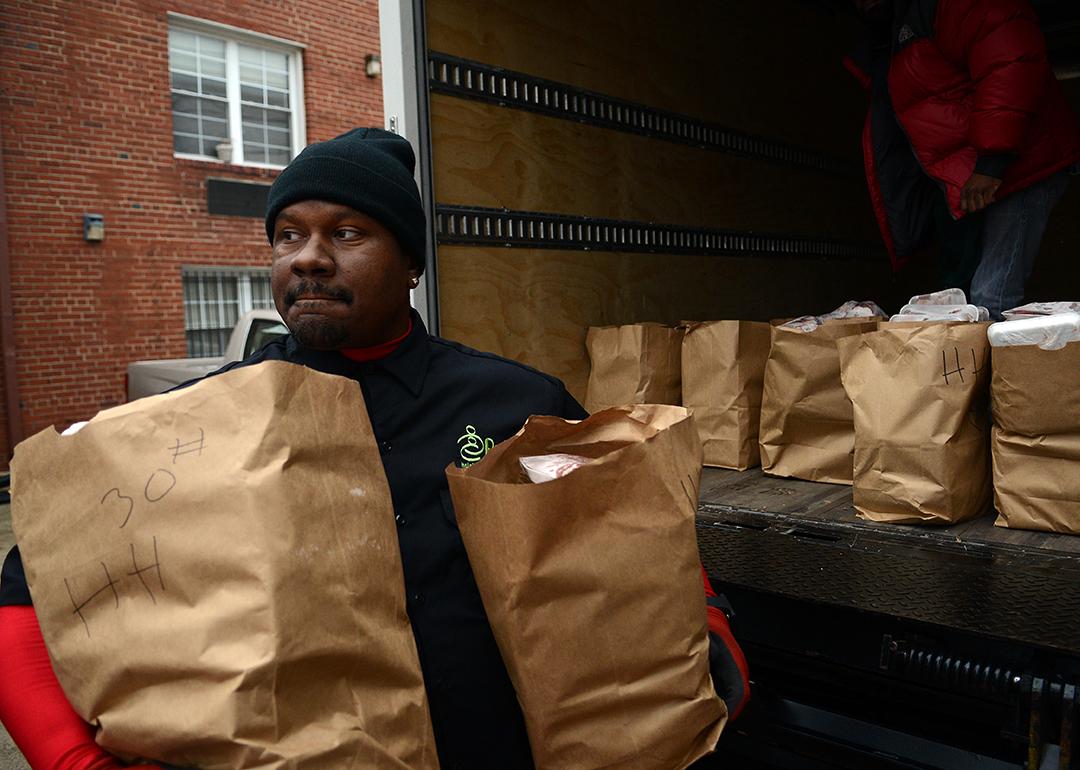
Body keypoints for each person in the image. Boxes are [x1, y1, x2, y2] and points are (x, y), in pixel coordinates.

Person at [0, 128, 749, 770]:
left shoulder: (514, 404)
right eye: (288, 235)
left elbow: (631, 538)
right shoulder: (194, 426)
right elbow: (27, 590)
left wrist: (708, 634)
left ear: (413, 264)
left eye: (347, 233)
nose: (309, 258)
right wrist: (76, 760)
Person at [847, 0, 1080, 319]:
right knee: (963, 297)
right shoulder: (894, 28)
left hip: (1022, 163)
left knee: (990, 295)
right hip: (968, 177)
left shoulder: (948, 6)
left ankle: (1005, 369)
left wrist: (992, 161)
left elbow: (1011, 55)